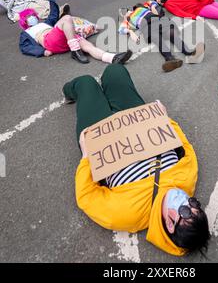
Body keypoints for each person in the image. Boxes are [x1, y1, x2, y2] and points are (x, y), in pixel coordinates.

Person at [63, 64, 210, 256]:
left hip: (100, 134)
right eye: (195, 205)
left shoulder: (126, 214)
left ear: (169, 223)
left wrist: (85, 156)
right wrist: (165, 119)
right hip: (136, 119)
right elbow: (185, 147)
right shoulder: (187, 180)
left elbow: (86, 196)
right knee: (115, 71)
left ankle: (68, 92)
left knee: (85, 83)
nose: (188, 203)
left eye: (186, 212)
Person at [19, 0, 132, 64]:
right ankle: (75, 51)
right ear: (25, 22)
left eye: (32, 15)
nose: (32, 18)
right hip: (51, 41)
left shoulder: (45, 23)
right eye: (28, 17)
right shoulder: (26, 33)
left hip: (68, 40)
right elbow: (25, 47)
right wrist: (42, 52)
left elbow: (53, 13)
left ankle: (113, 58)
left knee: (89, 46)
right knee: (67, 18)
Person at [119, 0, 205, 73]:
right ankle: (170, 59)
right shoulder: (128, 20)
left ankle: (190, 53)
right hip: (147, 26)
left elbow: (152, 2)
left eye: (127, 10)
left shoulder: (142, 7)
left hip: (158, 20)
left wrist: (152, 7)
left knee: (171, 34)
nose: (127, 11)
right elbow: (121, 29)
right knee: (157, 39)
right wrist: (130, 31)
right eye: (125, 12)